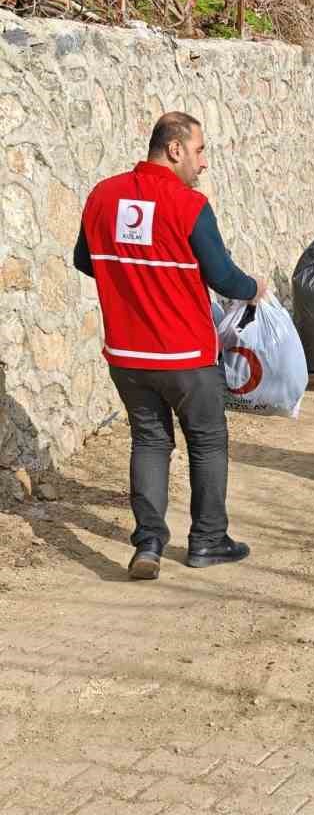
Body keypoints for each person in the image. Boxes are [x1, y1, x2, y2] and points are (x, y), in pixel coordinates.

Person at [73, 112, 266, 581]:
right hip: (185, 356)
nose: (203, 164)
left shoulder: (103, 195)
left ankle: (149, 544)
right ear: (175, 149)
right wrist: (254, 287)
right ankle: (207, 540)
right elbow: (222, 276)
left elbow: (85, 259)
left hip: (127, 355)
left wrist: (134, 280)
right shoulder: (189, 205)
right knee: (207, 441)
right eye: (200, 151)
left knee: (149, 440)